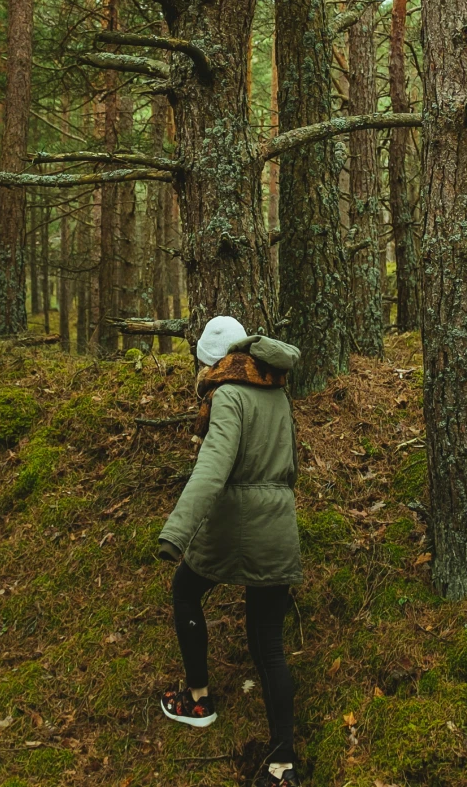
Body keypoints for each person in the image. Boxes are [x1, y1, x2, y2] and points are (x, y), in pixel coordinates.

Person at [158, 316, 303, 786]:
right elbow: (291, 465)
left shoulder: (226, 396)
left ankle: (198, 699)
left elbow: (211, 471)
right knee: (269, 646)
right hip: (278, 523)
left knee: (184, 589)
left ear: (213, 363)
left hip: (234, 523)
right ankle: (284, 764)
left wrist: (177, 531)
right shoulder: (277, 391)